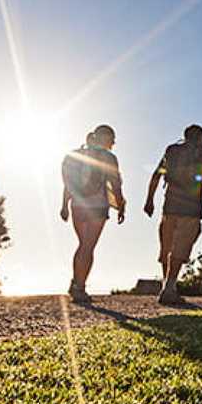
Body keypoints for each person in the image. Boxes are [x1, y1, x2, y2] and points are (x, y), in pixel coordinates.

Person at [145, 124, 202, 304]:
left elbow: (157, 175)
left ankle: (167, 287)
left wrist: (149, 200)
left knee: (168, 246)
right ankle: (169, 287)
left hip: (169, 205)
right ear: (200, 138)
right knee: (180, 247)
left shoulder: (171, 150)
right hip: (191, 208)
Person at [60, 125, 126, 303]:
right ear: (106, 138)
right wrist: (121, 205)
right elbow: (115, 184)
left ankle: (76, 283)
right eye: (112, 139)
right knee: (88, 246)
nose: (113, 143)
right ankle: (79, 287)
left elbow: (68, 184)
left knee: (83, 245)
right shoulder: (109, 157)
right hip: (97, 206)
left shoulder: (75, 155)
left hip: (77, 205)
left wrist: (64, 205)